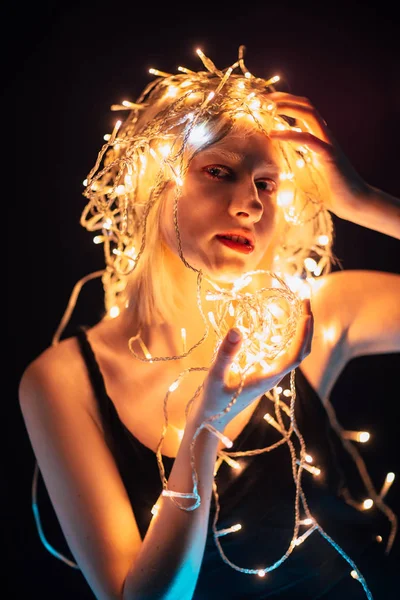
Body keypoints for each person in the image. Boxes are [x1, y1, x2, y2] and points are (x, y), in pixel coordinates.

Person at [18, 46, 400, 600]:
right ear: (155, 183)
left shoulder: (317, 316)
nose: (249, 204)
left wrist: (366, 203)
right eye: (219, 171)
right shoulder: (64, 380)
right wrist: (206, 424)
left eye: (267, 184)